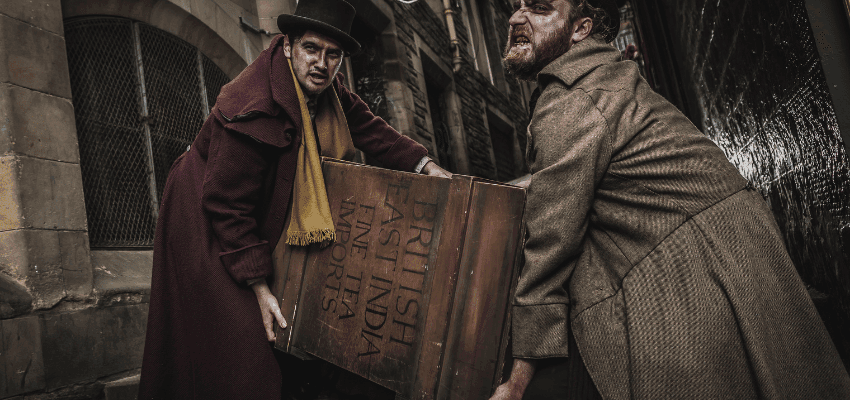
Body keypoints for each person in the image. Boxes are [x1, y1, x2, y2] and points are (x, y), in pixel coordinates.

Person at [491, 0, 850, 399]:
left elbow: (549, 249)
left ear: (580, 29)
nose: (516, 19)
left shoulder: (574, 99)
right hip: (734, 248)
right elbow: (572, 171)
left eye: (539, 9)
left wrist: (518, 378)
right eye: (517, 6)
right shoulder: (603, 76)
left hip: (697, 263)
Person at [138, 0, 449, 398]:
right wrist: (260, 286)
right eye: (311, 49)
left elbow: (371, 129)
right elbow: (227, 204)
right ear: (287, 46)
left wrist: (424, 163)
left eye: (332, 54)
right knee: (243, 341)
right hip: (202, 213)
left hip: (246, 207)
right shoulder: (252, 105)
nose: (322, 62)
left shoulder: (329, 92)